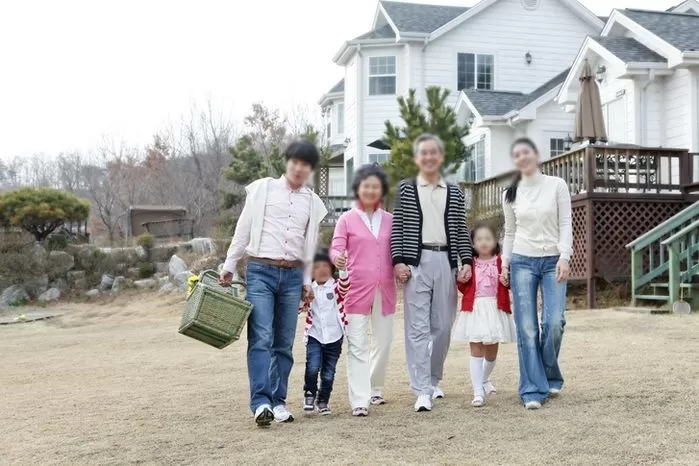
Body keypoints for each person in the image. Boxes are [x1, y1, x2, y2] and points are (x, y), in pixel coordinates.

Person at [220, 140, 328, 427]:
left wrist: (307, 282)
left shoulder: (312, 202)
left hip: (292, 275)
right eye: (294, 161)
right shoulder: (262, 189)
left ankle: (279, 402)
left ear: (309, 170)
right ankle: (261, 402)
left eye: (304, 164)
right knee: (261, 338)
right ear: (287, 162)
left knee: (283, 342)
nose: (298, 167)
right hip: (260, 270)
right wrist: (230, 264)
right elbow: (243, 230)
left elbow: (309, 246)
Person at [391, 133, 472, 413]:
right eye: (422, 153)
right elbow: (398, 227)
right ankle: (421, 389)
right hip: (416, 262)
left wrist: (467, 260)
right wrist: (398, 261)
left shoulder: (455, 191)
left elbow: (461, 230)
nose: (428, 157)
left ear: (440, 157)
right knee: (417, 328)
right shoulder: (406, 189)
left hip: (446, 262)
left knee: (443, 327)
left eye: (432, 153)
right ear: (417, 158)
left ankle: (434, 378)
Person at [501, 137, 572, 410]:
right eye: (516, 154)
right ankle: (532, 388)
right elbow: (510, 232)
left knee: (554, 322)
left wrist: (565, 256)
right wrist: (505, 263)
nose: (522, 157)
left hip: (553, 259)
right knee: (527, 327)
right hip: (522, 261)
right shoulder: (510, 193)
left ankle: (548, 373)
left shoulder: (557, 185)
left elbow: (566, 223)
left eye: (526, 152)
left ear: (537, 154)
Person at [330, 163, 396, 417]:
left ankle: (374, 386)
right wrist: (338, 258)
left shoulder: (391, 220)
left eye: (375, 186)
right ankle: (360, 399)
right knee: (357, 343)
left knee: (385, 340)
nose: (370, 190)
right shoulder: (346, 219)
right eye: (366, 186)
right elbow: (336, 248)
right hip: (356, 289)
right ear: (358, 188)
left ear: (381, 190)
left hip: (386, 288)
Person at [453, 224, 515, 407]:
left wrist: (507, 279)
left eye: (488, 238)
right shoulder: (469, 263)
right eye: (479, 239)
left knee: (492, 352)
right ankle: (478, 391)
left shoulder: (501, 261)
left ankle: (485, 378)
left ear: (495, 241)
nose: (484, 242)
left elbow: (509, 283)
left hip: (495, 308)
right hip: (475, 309)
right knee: (476, 348)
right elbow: (464, 288)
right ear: (472, 244)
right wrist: (461, 279)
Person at [299, 252, 349, 416]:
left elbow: (345, 286)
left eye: (326, 266)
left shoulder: (335, 287)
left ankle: (323, 401)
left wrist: (343, 269)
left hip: (335, 337)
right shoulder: (309, 289)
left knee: (328, 372)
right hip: (315, 335)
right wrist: (302, 296)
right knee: (312, 367)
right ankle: (309, 394)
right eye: (317, 267)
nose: (321, 270)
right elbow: (299, 307)